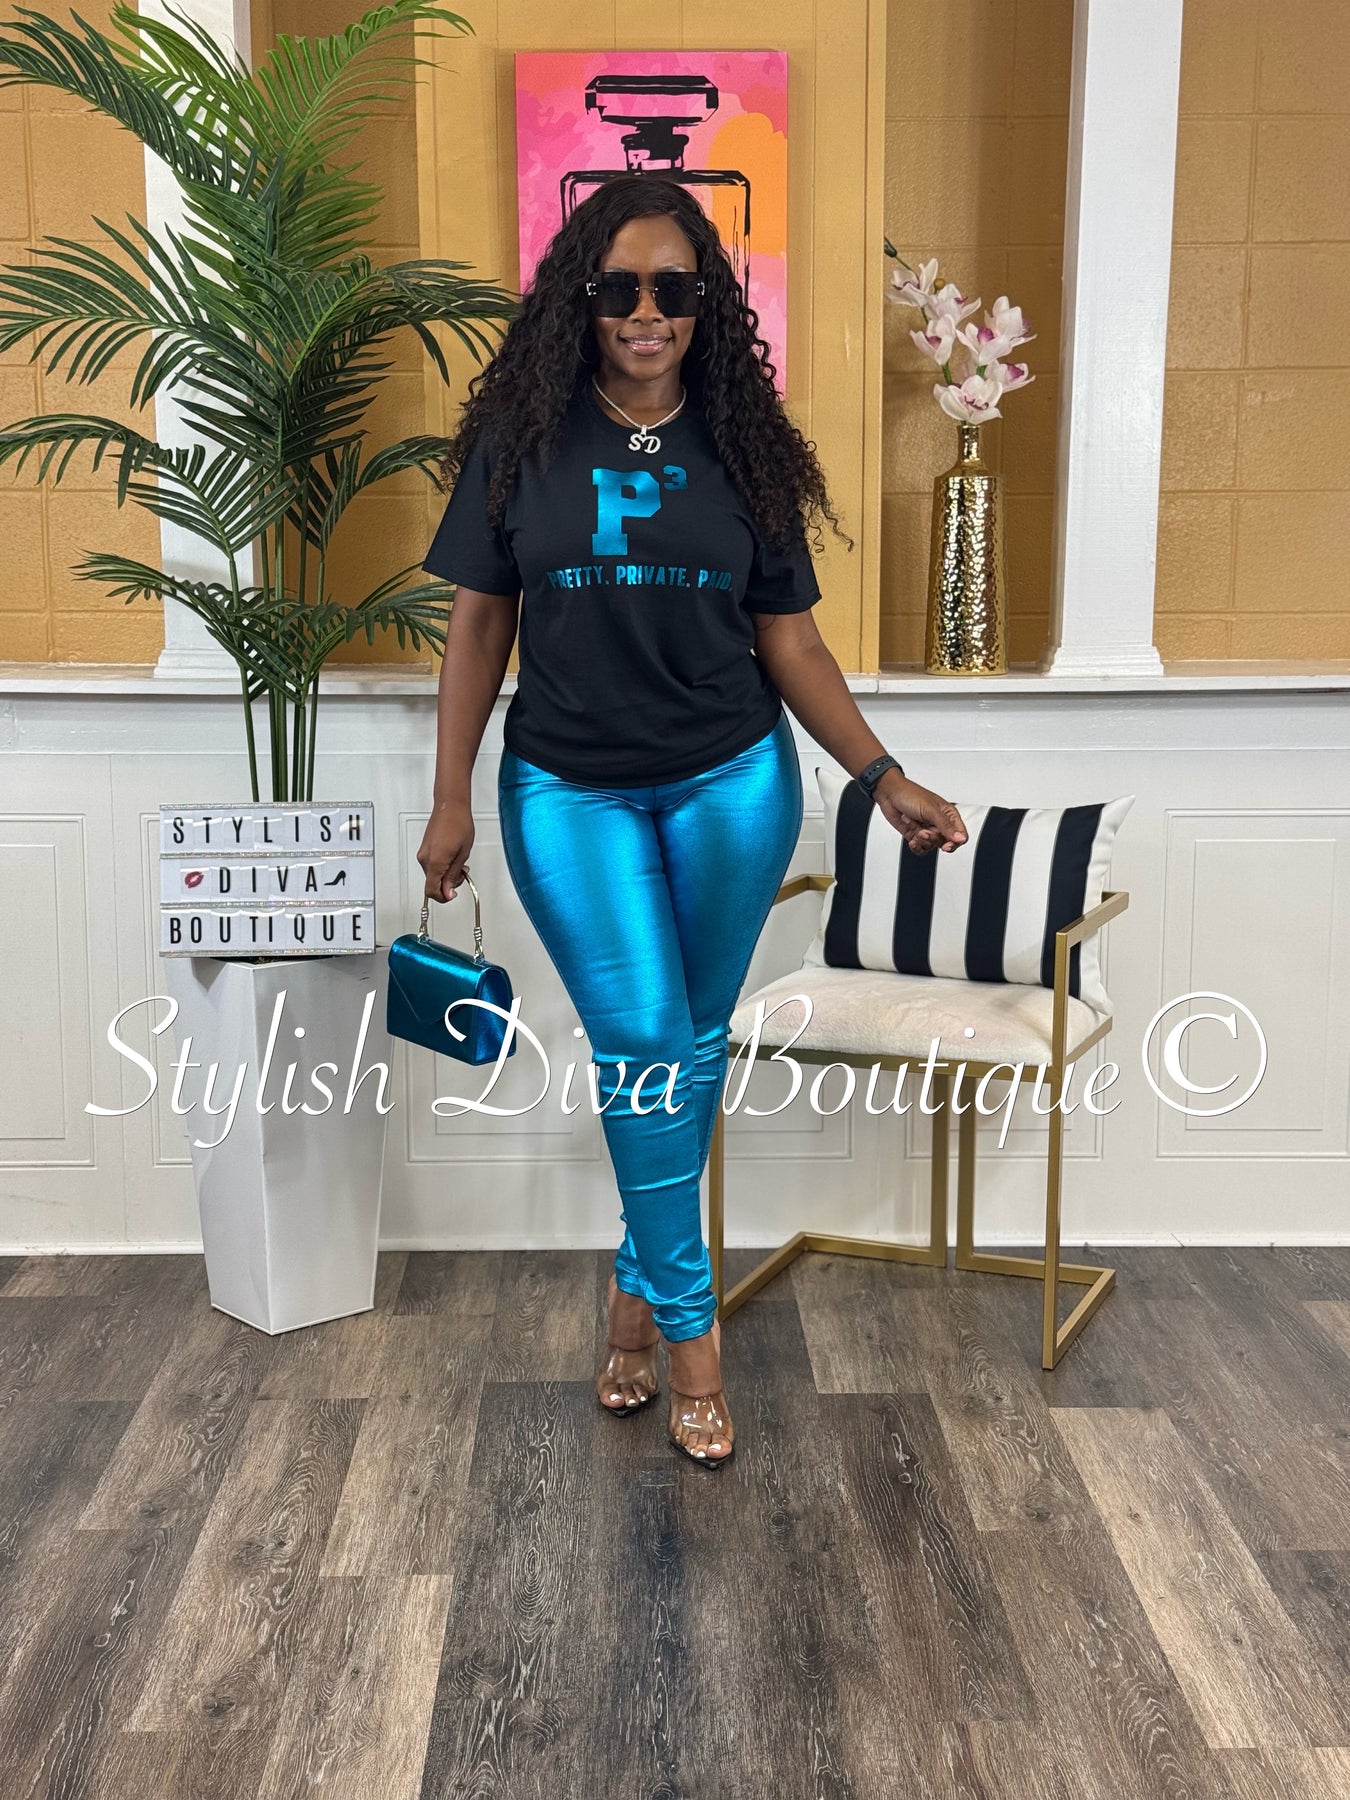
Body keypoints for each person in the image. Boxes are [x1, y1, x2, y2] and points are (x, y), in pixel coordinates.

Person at [417, 175, 967, 1469]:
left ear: (706, 299)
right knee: (645, 1046)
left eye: (673, 286)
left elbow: (793, 643)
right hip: (568, 790)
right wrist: (449, 796)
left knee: (684, 1048)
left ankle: (630, 1297)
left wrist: (879, 773)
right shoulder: (520, 442)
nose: (646, 310)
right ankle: (691, 1336)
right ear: (579, 300)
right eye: (618, 287)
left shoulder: (745, 448)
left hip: (731, 786)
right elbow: (478, 629)